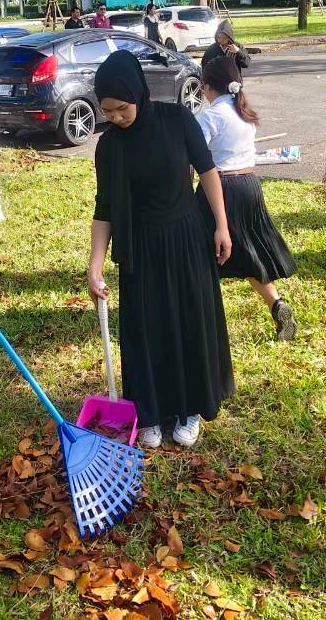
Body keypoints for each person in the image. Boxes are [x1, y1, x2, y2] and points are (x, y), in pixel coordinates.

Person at [88, 50, 235, 450]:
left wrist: (221, 225)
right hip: (139, 249)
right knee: (146, 329)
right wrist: (95, 266)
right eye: (108, 111)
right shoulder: (109, 146)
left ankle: (190, 408)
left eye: (122, 108)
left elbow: (208, 171)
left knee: (187, 322)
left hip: (185, 239)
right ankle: (150, 410)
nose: (116, 117)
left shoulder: (177, 120)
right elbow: (104, 209)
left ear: (138, 92)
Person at [195, 57, 297, 341]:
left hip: (219, 188)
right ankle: (276, 302)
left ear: (208, 86)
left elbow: (195, 157)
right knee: (249, 251)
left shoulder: (210, 116)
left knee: (201, 252)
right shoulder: (244, 112)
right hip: (249, 185)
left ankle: (201, 317)